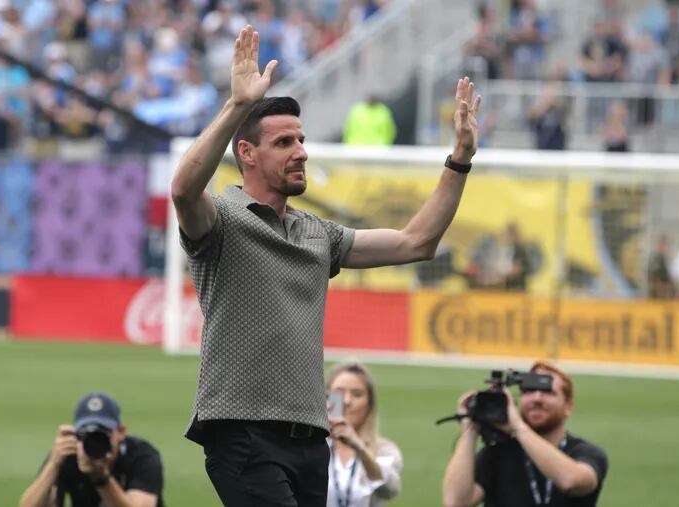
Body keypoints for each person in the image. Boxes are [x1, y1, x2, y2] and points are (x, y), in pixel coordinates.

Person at [170, 25, 480, 506]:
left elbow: (416, 242)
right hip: (241, 432)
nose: (301, 151)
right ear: (247, 154)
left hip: (312, 440)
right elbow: (183, 190)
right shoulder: (222, 221)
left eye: (301, 139)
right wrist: (237, 106)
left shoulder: (319, 233)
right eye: (284, 143)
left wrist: (459, 161)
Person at [442, 361, 608, 507]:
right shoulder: (498, 453)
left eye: (548, 392)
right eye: (529, 390)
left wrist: (517, 427)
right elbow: (455, 502)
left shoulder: (585, 453)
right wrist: (470, 429)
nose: (537, 398)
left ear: (568, 406)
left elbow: (571, 481)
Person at [19, 392, 164, 507]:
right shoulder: (67, 455)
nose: (94, 442)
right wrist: (53, 464)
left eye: (103, 434)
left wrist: (101, 478)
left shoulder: (140, 455)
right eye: (86, 434)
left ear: (121, 432)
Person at [326, 362, 402, 507]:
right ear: (327, 397)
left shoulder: (384, 450)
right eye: (339, 393)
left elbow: (390, 490)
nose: (347, 401)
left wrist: (360, 448)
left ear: (369, 403)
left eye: (357, 394)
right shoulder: (313, 447)